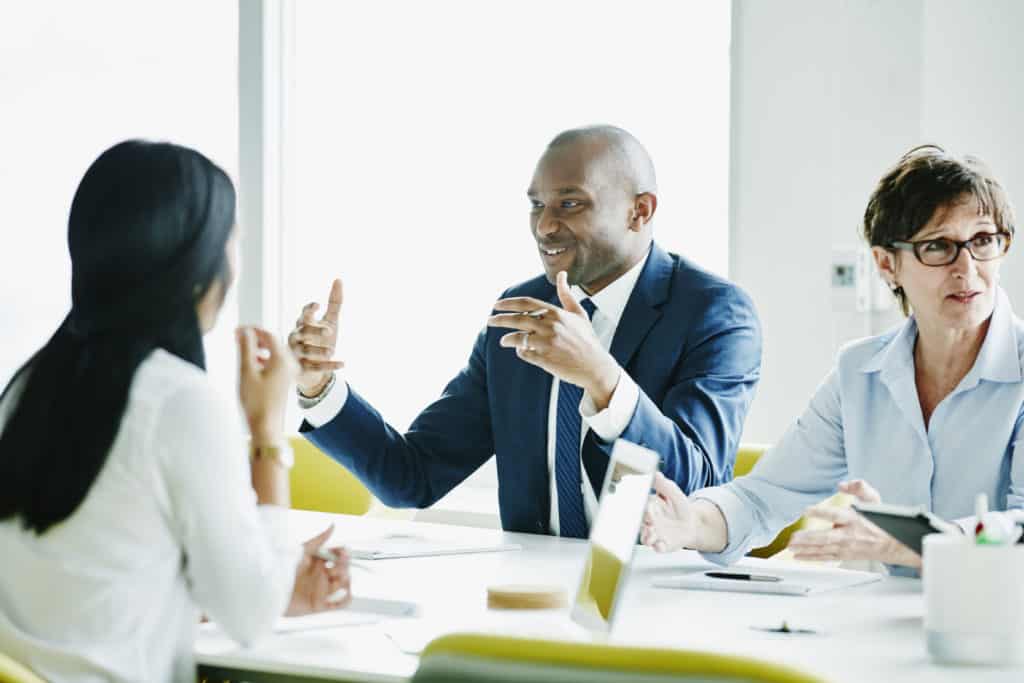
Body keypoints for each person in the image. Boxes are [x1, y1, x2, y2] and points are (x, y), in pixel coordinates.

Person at [288, 125, 762, 537]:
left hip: (658, 595)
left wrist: (603, 380)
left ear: (640, 211)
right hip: (532, 594)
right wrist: (321, 388)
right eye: (536, 205)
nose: (545, 226)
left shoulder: (715, 313)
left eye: (570, 203)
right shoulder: (519, 314)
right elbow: (412, 478)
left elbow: (695, 491)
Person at [0, 141, 351, 682]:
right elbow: (252, 619)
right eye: (229, 243)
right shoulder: (179, 400)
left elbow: (88, 583)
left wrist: (268, 574)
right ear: (196, 262)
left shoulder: (29, 386)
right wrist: (265, 431)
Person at [641, 145, 1021, 572]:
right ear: (886, 263)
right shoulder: (859, 372)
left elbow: (1019, 530)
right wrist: (690, 523)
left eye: (984, 240)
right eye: (938, 246)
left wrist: (904, 544)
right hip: (872, 626)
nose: (967, 268)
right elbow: (762, 498)